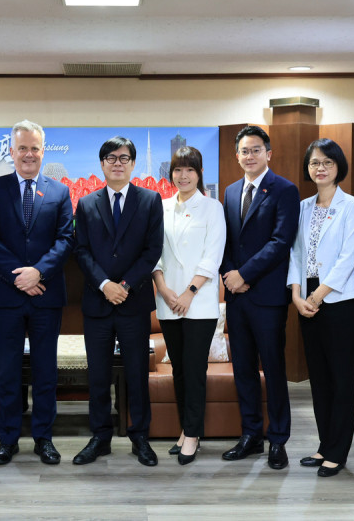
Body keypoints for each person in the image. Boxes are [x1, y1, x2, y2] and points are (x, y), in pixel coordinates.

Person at [0, 120, 74, 466]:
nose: (29, 154)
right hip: (6, 295)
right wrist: (19, 275)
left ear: (42, 151)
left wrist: (38, 272)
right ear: (12, 152)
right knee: (7, 372)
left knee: (46, 371)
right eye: (22, 148)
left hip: (46, 295)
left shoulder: (60, 192)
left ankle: (44, 439)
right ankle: (7, 440)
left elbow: (66, 239)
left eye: (34, 148)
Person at [73, 136, 164, 467]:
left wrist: (123, 285)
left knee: (137, 373)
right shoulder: (86, 203)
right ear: (101, 164)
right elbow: (80, 250)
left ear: (132, 164)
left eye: (124, 158)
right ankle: (100, 436)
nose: (117, 163)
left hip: (133, 302)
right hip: (97, 304)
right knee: (97, 375)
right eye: (110, 157)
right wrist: (104, 284)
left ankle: (140, 436)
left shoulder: (150, 200)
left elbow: (152, 251)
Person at [220, 125, 299, 470]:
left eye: (256, 150)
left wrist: (244, 275)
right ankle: (251, 434)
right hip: (236, 297)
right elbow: (225, 242)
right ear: (236, 156)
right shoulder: (230, 191)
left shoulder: (284, 190)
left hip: (267, 296)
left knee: (274, 368)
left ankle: (278, 439)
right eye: (244, 151)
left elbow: (281, 242)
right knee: (244, 370)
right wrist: (229, 276)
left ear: (268, 153)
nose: (249, 156)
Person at [288, 138, 354, 477]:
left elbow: (349, 258)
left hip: (338, 301)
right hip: (307, 300)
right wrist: (297, 295)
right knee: (319, 378)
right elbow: (296, 254)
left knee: (342, 378)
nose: (320, 168)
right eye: (315, 162)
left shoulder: (352, 205)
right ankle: (324, 445)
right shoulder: (303, 206)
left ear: (338, 167)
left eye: (327, 163)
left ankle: (338, 450)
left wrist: (318, 295)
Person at [152, 146, 226, 465]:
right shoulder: (162, 207)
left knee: (195, 369)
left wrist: (189, 291)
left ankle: (193, 434)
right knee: (179, 370)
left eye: (190, 170)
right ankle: (186, 428)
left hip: (199, 303)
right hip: (167, 300)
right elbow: (153, 252)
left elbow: (213, 255)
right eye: (178, 170)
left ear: (199, 174)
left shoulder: (212, 208)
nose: (183, 176)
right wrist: (164, 289)